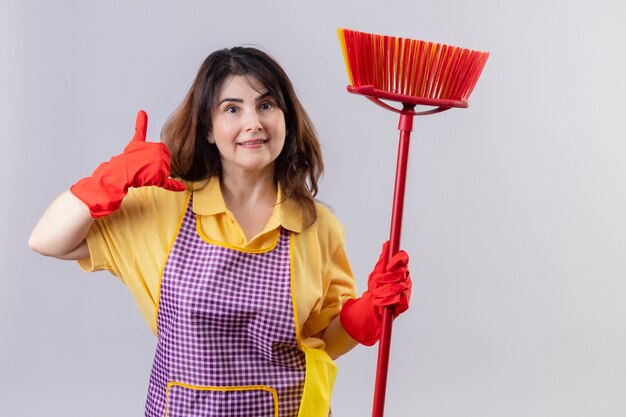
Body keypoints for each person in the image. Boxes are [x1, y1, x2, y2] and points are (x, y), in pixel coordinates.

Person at [29, 46, 412, 417]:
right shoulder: (163, 207)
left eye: (266, 105)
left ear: (286, 118)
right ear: (208, 129)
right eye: (232, 108)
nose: (254, 123)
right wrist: (107, 180)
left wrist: (372, 311)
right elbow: (47, 240)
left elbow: (323, 340)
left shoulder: (317, 227)